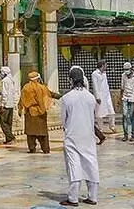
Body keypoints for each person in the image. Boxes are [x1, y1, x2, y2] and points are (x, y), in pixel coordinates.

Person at [60, 66, 100, 207]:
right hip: (88, 136)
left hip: (72, 136)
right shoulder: (91, 98)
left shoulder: (66, 98)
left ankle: (73, 198)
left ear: (70, 79)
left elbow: (63, 121)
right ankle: (93, 197)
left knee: (74, 166)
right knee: (91, 164)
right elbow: (93, 117)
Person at [19, 71, 55, 153]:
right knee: (42, 132)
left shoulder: (26, 88)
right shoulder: (42, 87)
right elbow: (50, 94)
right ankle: (45, 149)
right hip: (40, 112)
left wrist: (20, 109)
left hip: (30, 113)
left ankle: (32, 148)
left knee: (30, 133)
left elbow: (21, 99)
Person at [91, 61, 115, 133]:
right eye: (105, 65)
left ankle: (112, 126)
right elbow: (95, 86)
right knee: (99, 114)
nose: (106, 67)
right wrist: (97, 97)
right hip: (99, 96)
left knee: (111, 112)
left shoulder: (104, 74)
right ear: (102, 65)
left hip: (106, 95)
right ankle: (100, 128)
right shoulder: (95, 74)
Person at [120, 62, 134, 142]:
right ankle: (125, 135)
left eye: (127, 69)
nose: (126, 71)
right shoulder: (123, 76)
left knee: (131, 117)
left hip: (133, 98)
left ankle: (133, 135)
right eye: (125, 69)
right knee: (124, 116)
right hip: (125, 97)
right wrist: (120, 98)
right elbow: (122, 87)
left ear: (131, 69)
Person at [0, 66, 18, 144]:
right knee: (9, 123)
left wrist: (2, 104)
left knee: (3, 122)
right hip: (11, 104)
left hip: (6, 105)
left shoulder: (5, 81)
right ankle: (8, 139)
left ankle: (11, 138)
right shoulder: (11, 80)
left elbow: (4, 93)